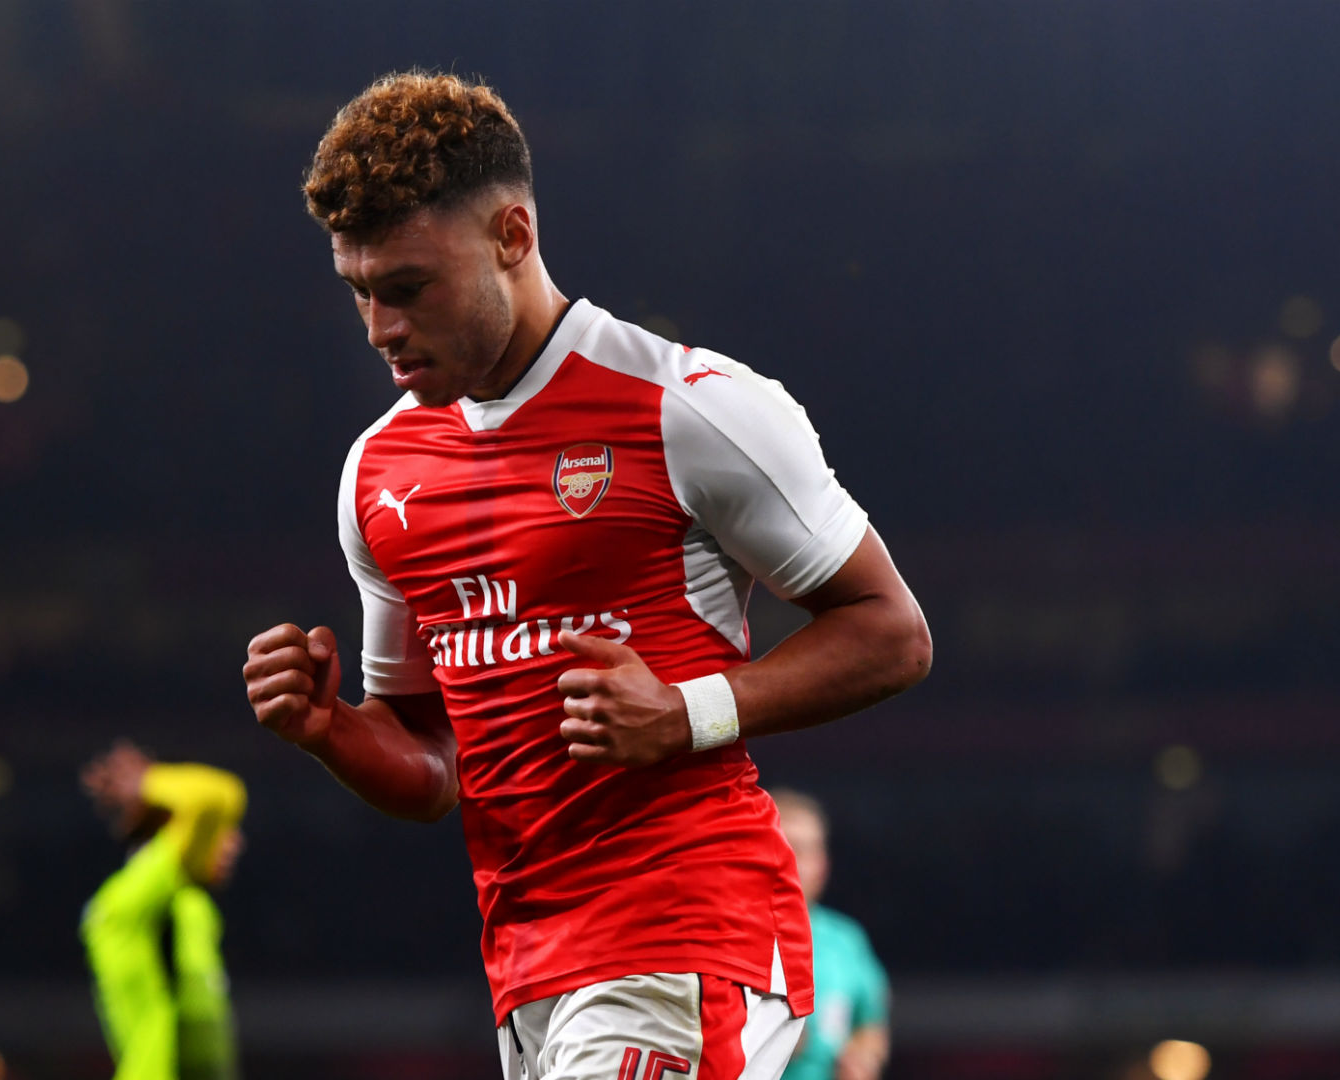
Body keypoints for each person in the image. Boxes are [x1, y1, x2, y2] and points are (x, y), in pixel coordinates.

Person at [241, 71, 931, 1080]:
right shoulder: (379, 473)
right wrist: (331, 730)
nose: (381, 327)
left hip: (685, 931)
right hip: (527, 965)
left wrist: (686, 712)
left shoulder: (688, 405)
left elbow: (892, 632)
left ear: (512, 235)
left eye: (408, 288)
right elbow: (435, 766)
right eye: (359, 291)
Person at [79, 741, 246, 1080]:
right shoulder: (124, 905)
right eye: (213, 831)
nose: (234, 843)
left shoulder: (193, 906)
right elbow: (218, 796)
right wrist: (149, 783)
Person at [772, 791, 891, 1080]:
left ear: (823, 864)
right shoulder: (730, 935)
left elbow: (871, 1026)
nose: (796, 863)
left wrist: (862, 1058)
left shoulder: (846, 940)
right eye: (786, 847)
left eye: (806, 851)